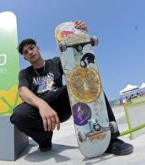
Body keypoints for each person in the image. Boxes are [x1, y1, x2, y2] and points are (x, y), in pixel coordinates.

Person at [10, 21, 134, 155]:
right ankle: (44, 139)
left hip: (62, 101)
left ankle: (111, 140)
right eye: (26, 52)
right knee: (17, 115)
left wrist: (81, 37)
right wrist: (41, 105)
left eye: (31, 47)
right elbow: (23, 91)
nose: (30, 52)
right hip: (41, 110)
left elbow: (78, 65)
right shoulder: (25, 73)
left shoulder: (56, 62)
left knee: (89, 83)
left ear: (38, 48)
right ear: (25, 57)